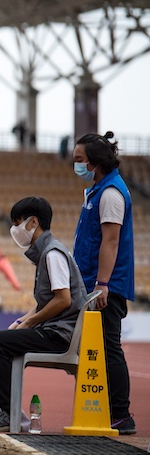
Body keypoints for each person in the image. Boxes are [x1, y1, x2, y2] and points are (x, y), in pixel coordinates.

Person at [0, 197, 87, 432]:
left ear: (33, 222)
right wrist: (22, 321)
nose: (14, 230)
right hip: (53, 330)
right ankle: (6, 408)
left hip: (59, 336)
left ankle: (6, 412)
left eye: (17, 223)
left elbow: (63, 300)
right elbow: (46, 301)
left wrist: (31, 322)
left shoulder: (53, 254)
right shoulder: (47, 253)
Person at [71, 131, 136, 435]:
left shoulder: (111, 194)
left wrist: (102, 284)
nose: (76, 165)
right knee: (99, 346)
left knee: (109, 346)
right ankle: (104, 408)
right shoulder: (98, 190)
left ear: (95, 163)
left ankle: (121, 414)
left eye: (79, 160)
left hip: (105, 286)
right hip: (93, 284)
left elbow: (110, 242)